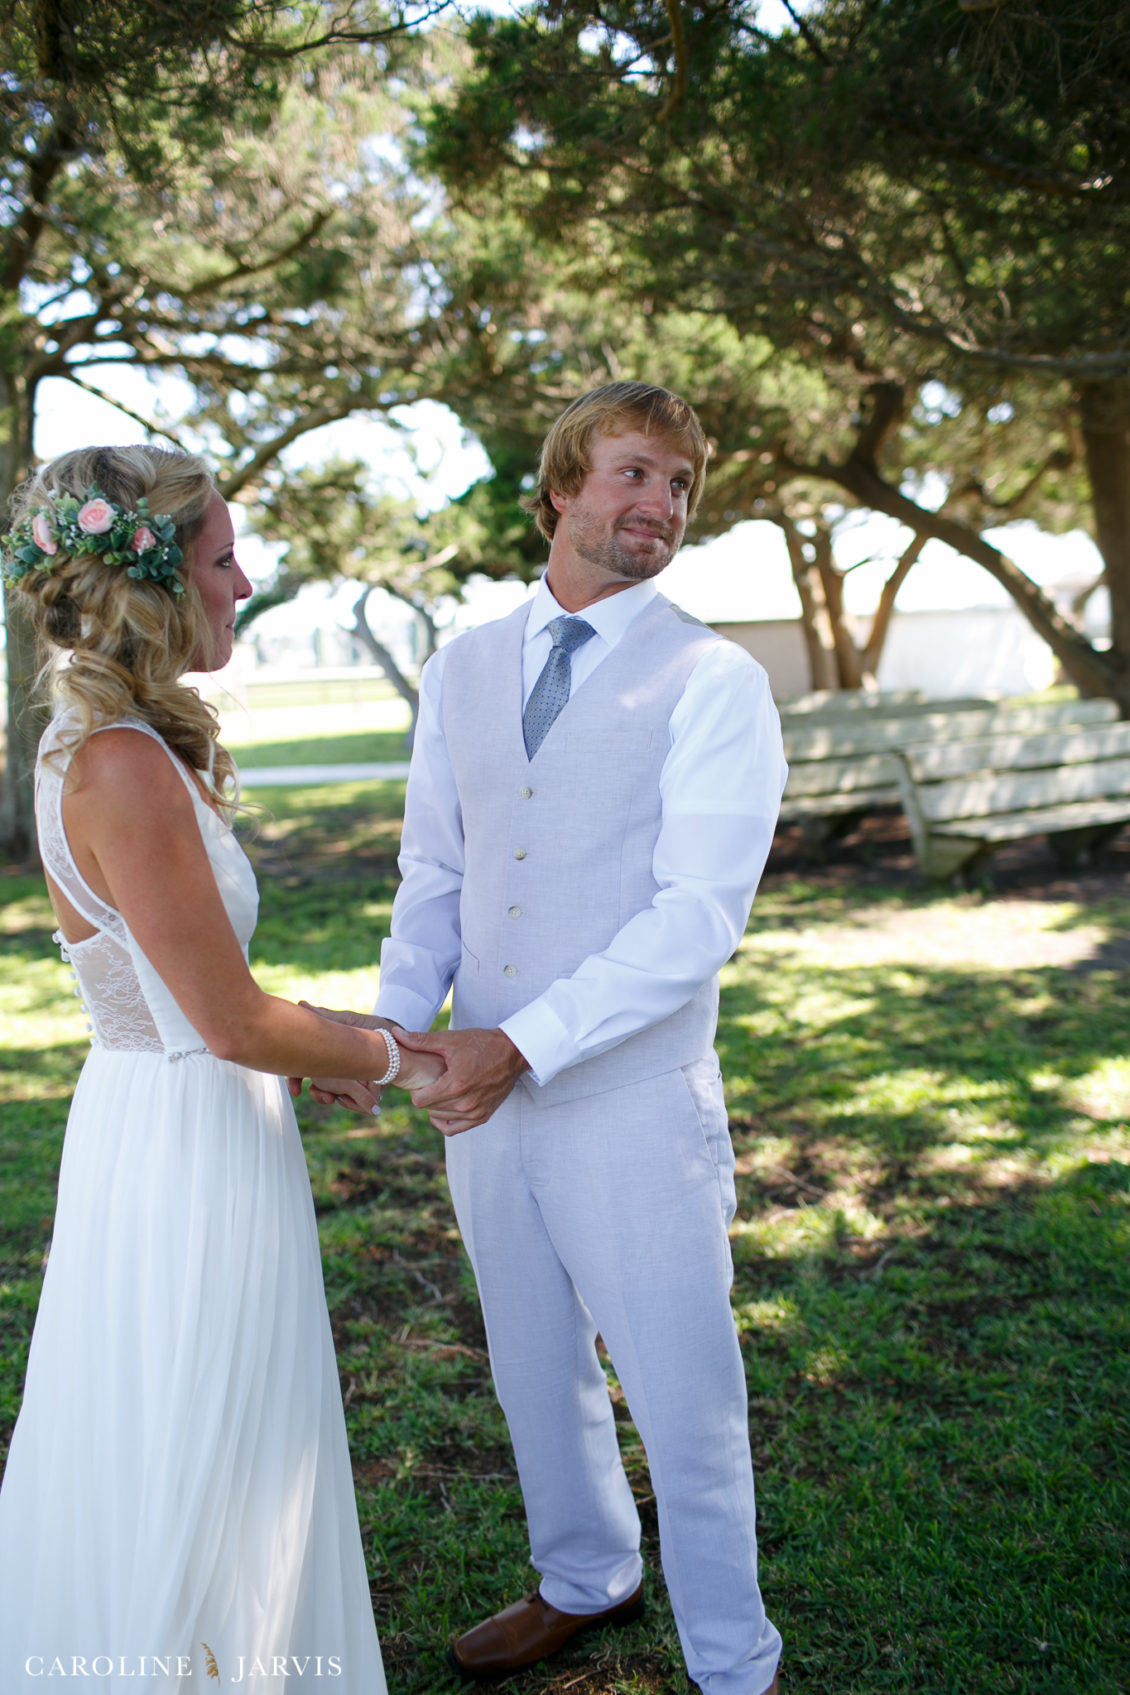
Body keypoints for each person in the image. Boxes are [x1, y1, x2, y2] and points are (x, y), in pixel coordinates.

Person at [307, 382, 787, 1694]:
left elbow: (698, 916)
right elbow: (434, 869)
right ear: (564, 483)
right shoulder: (461, 666)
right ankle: (584, 1576)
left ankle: (734, 1661)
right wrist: (391, 1024)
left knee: (684, 1394)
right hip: (478, 1098)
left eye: (680, 484)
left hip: (631, 1099)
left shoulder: (714, 678)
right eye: (635, 472)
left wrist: (518, 1040)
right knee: (530, 1361)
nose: (661, 504)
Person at [0, 445, 441, 1695]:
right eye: (223, 559)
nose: (243, 584)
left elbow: (201, 995)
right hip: (186, 1143)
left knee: (202, 1427)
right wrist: (397, 1057)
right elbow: (229, 1021)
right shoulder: (119, 763)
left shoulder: (115, 741)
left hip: (178, 1108)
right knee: (198, 1434)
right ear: (151, 582)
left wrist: (318, 1041)